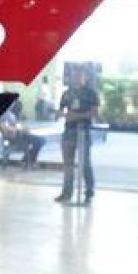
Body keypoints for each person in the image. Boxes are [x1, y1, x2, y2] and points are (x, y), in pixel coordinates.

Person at [55, 69, 99, 204]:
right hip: (69, 130)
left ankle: (89, 192)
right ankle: (67, 192)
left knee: (85, 163)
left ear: (85, 78)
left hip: (83, 131)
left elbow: (94, 112)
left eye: (80, 76)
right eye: (74, 76)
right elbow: (60, 111)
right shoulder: (66, 94)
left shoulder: (91, 93)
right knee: (68, 164)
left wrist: (77, 116)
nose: (77, 78)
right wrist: (63, 115)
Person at [0, 100, 45, 169]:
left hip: (21, 134)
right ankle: (29, 161)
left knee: (41, 141)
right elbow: (4, 127)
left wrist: (24, 128)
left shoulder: (11, 115)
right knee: (39, 141)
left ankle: (26, 160)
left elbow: (17, 125)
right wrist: (18, 129)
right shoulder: (3, 115)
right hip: (14, 136)